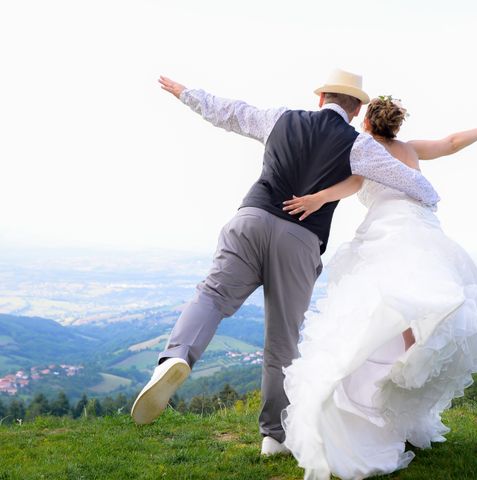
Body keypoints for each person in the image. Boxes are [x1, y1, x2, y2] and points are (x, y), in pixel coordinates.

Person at [130, 70, 442, 456]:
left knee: (211, 296)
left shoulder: (281, 118)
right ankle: (273, 436)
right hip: (300, 241)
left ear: (321, 98)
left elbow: (229, 112)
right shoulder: (359, 146)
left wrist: (185, 92)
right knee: (282, 338)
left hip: (251, 220)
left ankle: (175, 357)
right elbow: (422, 189)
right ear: (357, 107)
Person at [280, 96, 477, 479]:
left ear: (367, 123)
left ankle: (389, 372)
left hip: (388, 230)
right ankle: (410, 354)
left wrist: (315, 198)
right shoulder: (409, 148)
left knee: (382, 302)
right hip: (421, 229)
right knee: (419, 295)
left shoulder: (366, 152)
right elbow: (451, 142)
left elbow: (349, 187)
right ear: (396, 125)